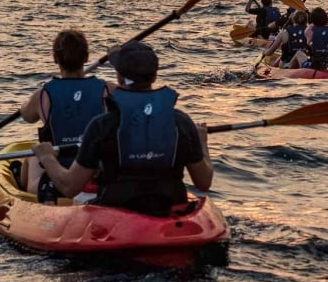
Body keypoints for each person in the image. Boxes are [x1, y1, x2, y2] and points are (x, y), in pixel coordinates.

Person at [32, 42, 213, 217]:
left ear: (118, 77)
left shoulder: (101, 126)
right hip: (170, 208)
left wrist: (47, 157)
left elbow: (69, 187)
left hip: (116, 212)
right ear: (155, 76)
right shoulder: (181, 121)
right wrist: (202, 142)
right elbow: (204, 182)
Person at [16, 29, 111, 202]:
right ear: (86, 58)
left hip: (58, 174)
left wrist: (25, 106)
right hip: (95, 172)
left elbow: (27, 115)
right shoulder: (108, 90)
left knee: (31, 157)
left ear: (55, 59)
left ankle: (21, 191)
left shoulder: (42, 95)